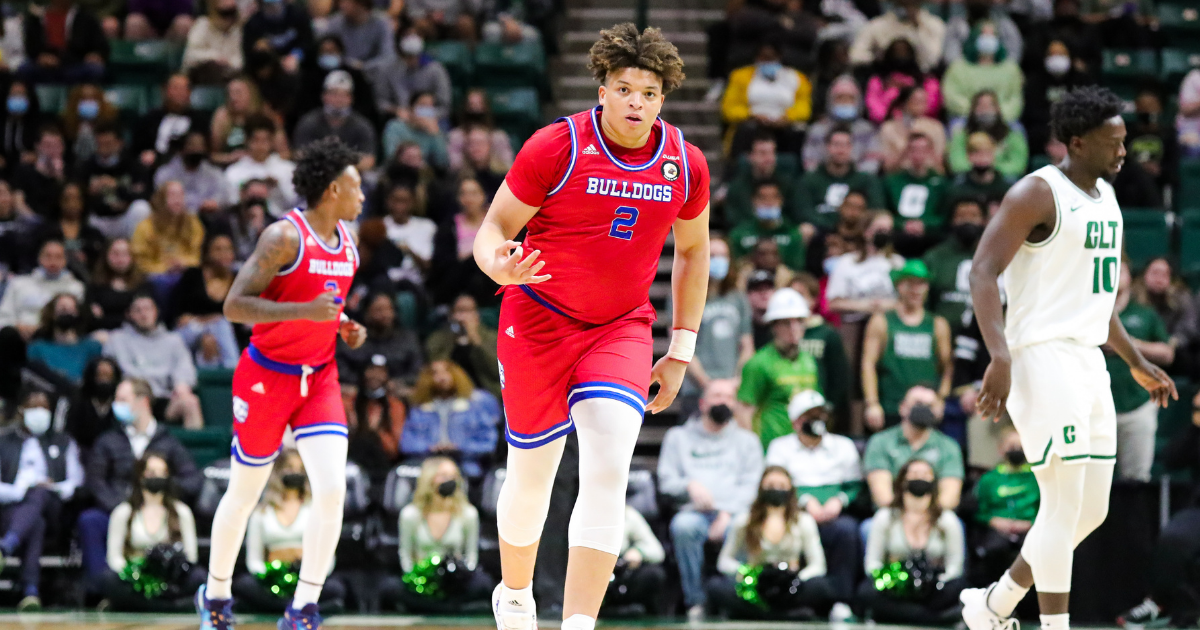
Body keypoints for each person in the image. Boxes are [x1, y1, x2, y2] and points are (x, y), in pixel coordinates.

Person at [474, 24, 711, 630]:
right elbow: (492, 231)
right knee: (534, 475)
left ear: (663, 99)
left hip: (620, 328)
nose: (637, 103)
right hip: (538, 320)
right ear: (602, 90)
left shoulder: (685, 162)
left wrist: (680, 350)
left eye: (650, 93)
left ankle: (579, 623)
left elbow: (693, 254)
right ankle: (517, 596)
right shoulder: (556, 146)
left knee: (609, 465)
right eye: (625, 89)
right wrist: (499, 262)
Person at [960, 86, 1178, 630]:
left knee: (1090, 511)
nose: (1124, 151)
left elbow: (1096, 302)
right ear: (1077, 143)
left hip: (1086, 360)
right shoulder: (1035, 194)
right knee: (1059, 507)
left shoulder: (1107, 196)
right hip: (1040, 357)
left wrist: (1132, 359)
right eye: (1114, 142)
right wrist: (1000, 356)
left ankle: (993, 607)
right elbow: (982, 272)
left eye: (1125, 140)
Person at [197, 137, 366, 630]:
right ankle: (216, 599)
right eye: (356, 186)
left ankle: (303, 608)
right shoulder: (282, 237)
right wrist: (305, 314)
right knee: (245, 492)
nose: (363, 196)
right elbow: (234, 306)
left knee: (333, 489)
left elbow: (324, 306)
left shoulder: (348, 244)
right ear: (333, 189)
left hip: (321, 379)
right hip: (267, 377)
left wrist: (344, 326)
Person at [78, 377, 202, 589]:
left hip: (158, 511)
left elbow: (192, 479)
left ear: (143, 402)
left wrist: (162, 496)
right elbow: (95, 481)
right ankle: (102, 590)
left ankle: (165, 587)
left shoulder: (168, 442)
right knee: (89, 520)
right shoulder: (108, 440)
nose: (116, 405)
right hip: (116, 509)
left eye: (122, 399)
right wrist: (124, 507)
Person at [658, 379, 764, 621]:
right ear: (703, 403)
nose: (723, 402)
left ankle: (736, 599)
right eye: (717, 396)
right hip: (693, 513)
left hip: (736, 513)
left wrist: (727, 512)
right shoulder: (678, 437)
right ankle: (696, 601)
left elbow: (752, 486)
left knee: (746, 526)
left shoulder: (748, 441)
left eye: (728, 397)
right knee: (683, 527)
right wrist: (688, 485)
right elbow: (666, 482)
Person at [765, 390, 862, 618]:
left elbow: (855, 485)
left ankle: (840, 600)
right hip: (792, 514)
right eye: (810, 415)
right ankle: (786, 593)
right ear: (796, 422)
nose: (817, 420)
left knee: (847, 530)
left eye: (821, 414)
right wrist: (805, 502)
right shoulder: (780, 448)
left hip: (833, 514)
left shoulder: (843, 446)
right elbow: (774, 484)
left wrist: (840, 500)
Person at [709, 466, 834, 620]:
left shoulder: (804, 521)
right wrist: (744, 571)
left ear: (790, 489)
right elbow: (724, 561)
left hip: (791, 584)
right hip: (755, 582)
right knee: (716, 587)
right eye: (771, 486)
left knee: (820, 587)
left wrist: (798, 578)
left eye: (781, 486)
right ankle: (783, 615)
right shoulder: (744, 520)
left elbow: (818, 565)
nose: (776, 490)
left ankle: (759, 614)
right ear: (761, 489)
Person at [231, 450, 348, 612]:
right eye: (290, 467)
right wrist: (273, 577)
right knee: (243, 585)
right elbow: (254, 560)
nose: (295, 473)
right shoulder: (261, 513)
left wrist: (307, 576)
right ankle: (300, 609)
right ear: (278, 471)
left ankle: (282, 608)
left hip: (306, 577)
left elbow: (328, 557)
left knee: (335, 588)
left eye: (300, 469)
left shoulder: (315, 509)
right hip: (271, 581)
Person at [0, 388, 84, 611]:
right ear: (21, 410)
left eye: (44, 407)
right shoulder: (4, 441)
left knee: (40, 493)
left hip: (54, 510)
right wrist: (20, 489)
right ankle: (30, 591)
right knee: (35, 522)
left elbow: (76, 482)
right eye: (34, 407)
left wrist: (52, 486)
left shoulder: (63, 441)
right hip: (11, 510)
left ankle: (6, 547)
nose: (40, 412)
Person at [858, 459, 967, 624]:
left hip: (934, 586)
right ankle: (934, 619)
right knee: (866, 591)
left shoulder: (948, 520)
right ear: (902, 481)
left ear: (934, 482)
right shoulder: (885, 517)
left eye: (925, 475)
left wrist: (935, 582)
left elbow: (955, 566)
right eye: (914, 474)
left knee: (960, 587)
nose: (920, 479)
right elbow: (872, 564)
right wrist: (896, 581)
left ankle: (901, 616)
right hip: (895, 584)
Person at [379, 456, 491, 613]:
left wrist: (462, 576)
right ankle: (448, 608)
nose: (450, 481)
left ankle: (435, 607)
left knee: (483, 583)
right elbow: (405, 555)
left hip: (456, 582)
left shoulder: (468, 514)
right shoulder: (410, 514)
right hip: (421, 581)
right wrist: (418, 581)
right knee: (390, 587)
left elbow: (471, 556)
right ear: (429, 480)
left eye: (454, 477)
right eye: (444, 476)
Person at [102, 452, 205, 611]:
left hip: (171, 577)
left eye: (162, 472)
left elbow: (191, 555)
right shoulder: (123, 512)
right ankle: (173, 607)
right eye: (151, 472)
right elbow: (114, 557)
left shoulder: (181, 511)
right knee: (108, 580)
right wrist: (136, 575)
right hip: (136, 576)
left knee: (199, 577)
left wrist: (174, 570)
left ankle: (149, 605)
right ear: (140, 475)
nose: (157, 477)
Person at [863, 261, 953, 429]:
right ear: (899, 286)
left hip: (926, 407)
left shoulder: (937, 324)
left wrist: (941, 398)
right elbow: (868, 364)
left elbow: (947, 366)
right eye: (910, 283)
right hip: (890, 406)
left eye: (921, 283)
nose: (916, 289)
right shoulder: (882, 322)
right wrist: (872, 403)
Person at [1106, 261, 1174, 481]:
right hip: (1095, 407)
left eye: (1120, 269)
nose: (1114, 275)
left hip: (1137, 407)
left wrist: (1127, 345)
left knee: (1136, 481)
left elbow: (1167, 352)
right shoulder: (1088, 312)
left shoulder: (1144, 313)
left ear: (1130, 278)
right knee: (1095, 481)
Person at [673, 236, 754, 413]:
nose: (719, 260)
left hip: (732, 390)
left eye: (723, 256)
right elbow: (680, 346)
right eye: (713, 255)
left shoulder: (738, 297)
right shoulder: (683, 294)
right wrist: (708, 384)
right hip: (696, 390)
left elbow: (747, 346)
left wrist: (735, 382)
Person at [103, 294, 203, 428]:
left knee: (191, 402)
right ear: (129, 314)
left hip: (163, 397)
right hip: (133, 397)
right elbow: (111, 371)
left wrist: (182, 386)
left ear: (156, 312)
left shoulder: (173, 340)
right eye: (138, 310)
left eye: (148, 309)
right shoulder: (117, 339)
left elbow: (184, 368)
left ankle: (194, 448)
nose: (143, 314)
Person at [739, 288, 820, 449]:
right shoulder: (758, 363)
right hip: (770, 447)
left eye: (799, 321)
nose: (794, 328)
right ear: (774, 326)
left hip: (804, 448)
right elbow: (744, 411)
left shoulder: (808, 360)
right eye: (786, 322)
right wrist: (752, 451)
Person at [864, 385, 965, 510]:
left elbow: (949, 498)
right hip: (892, 513)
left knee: (952, 523)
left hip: (934, 516)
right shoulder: (880, 442)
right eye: (918, 403)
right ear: (903, 407)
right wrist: (908, 518)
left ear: (939, 410)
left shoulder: (949, 446)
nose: (923, 409)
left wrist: (924, 518)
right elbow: (882, 497)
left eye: (930, 405)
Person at [399, 360, 500, 478]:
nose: (441, 377)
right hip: (427, 467)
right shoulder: (420, 410)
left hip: (467, 467)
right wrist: (429, 447)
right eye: (435, 373)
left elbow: (489, 443)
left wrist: (460, 447)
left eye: (447, 372)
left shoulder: (474, 407)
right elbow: (406, 443)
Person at [720, 42, 811, 157]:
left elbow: (804, 107)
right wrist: (751, 115)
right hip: (752, 124)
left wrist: (787, 118)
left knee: (797, 133)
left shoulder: (797, 78)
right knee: (746, 131)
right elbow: (729, 109)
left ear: (779, 57)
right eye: (763, 57)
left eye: (772, 57)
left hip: (783, 125)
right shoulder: (739, 77)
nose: (767, 61)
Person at [972, 429, 1039, 584]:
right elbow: (978, 511)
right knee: (994, 552)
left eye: (1020, 446)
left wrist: (1031, 523)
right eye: (1011, 446)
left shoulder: (1037, 478)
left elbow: (1046, 508)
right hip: (997, 531)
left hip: (1030, 529)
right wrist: (992, 520)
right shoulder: (989, 479)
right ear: (1001, 449)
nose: (1016, 451)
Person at [170, 234, 241, 369]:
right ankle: (235, 373)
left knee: (217, 332)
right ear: (207, 253)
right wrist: (205, 320)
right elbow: (178, 316)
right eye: (218, 249)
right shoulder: (192, 275)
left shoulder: (239, 281)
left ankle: (226, 374)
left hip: (222, 335)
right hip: (191, 330)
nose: (223, 254)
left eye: (227, 249)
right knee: (220, 324)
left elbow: (241, 323)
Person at [796, 125, 886, 231]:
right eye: (836, 145)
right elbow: (803, 211)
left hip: (857, 230)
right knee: (805, 229)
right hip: (821, 230)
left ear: (851, 148)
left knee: (883, 221)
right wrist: (833, 226)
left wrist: (852, 224)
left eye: (845, 145)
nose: (841, 150)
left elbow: (876, 208)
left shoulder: (866, 179)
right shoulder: (809, 180)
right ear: (827, 147)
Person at [429, 178, 499, 306]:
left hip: (489, 278)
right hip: (460, 279)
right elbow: (442, 262)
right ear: (458, 198)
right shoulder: (448, 226)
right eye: (464, 194)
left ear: (483, 196)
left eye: (473, 193)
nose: (469, 199)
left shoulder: (495, 223)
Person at [923, 197, 987, 334]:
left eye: (974, 216)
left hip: (987, 339)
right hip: (945, 333)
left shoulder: (997, 255)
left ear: (984, 221)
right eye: (961, 216)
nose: (968, 221)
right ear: (952, 221)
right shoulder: (935, 257)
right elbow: (925, 302)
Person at [337, 292, 424, 392]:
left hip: (397, 392)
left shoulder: (408, 339)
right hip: (356, 392)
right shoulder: (350, 338)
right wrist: (363, 380)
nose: (385, 315)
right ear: (366, 313)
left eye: (389, 309)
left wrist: (393, 382)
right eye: (379, 310)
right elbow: (339, 367)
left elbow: (417, 370)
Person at [292, 71, 378, 171]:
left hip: (352, 176)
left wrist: (339, 164)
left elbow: (369, 160)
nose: (338, 99)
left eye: (344, 95)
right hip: (316, 174)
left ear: (351, 98)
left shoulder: (362, 125)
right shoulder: (309, 122)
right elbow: (299, 154)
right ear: (324, 96)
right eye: (334, 94)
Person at [0, 240, 85, 339]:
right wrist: (17, 326)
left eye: (58, 257)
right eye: (48, 256)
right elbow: (4, 315)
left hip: (55, 336)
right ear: (40, 258)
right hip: (19, 334)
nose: (53, 261)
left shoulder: (75, 288)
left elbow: (77, 321)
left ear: (65, 260)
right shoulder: (18, 283)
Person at [942, 24, 1024, 122]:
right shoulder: (958, 68)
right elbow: (952, 98)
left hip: (1003, 119)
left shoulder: (1011, 69)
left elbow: (1015, 101)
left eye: (992, 35)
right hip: (965, 118)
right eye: (984, 35)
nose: (988, 39)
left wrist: (995, 114)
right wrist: (977, 112)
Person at [366, 30, 453, 122]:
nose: (411, 60)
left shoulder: (436, 71)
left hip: (431, 118)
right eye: (407, 56)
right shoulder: (387, 70)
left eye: (415, 56)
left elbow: (444, 107)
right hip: (399, 117)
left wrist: (420, 114)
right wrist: (396, 110)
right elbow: (380, 102)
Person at [802, 76, 883, 174]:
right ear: (831, 101)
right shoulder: (817, 129)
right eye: (840, 98)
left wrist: (853, 179)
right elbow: (810, 161)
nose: (845, 102)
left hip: (858, 182)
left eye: (850, 98)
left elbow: (872, 160)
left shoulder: (867, 130)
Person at [426, 294, 501, 400]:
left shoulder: (493, 337)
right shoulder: (439, 339)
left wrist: (476, 339)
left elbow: (497, 371)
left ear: (477, 315)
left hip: (488, 393)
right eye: (460, 311)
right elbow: (435, 367)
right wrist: (453, 338)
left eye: (469, 311)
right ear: (452, 315)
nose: (464, 316)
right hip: (450, 395)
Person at [883, 134, 949, 255]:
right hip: (898, 235)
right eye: (914, 150)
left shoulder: (941, 183)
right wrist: (902, 224)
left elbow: (945, 215)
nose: (918, 155)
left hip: (930, 238)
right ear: (907, 153)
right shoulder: (893, 181)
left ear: (930, 152)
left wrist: (925, 225)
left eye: (923, 150)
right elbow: (884, 211)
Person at [223, 116, 298, 218]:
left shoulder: (288, 169)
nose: (260, 146)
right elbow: (229, 205)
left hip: (280, 224)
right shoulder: (233, 172)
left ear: (272, 141)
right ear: (247, 141)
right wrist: (246, 194)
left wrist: (277, 189)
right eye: (256, 140)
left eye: (265, 140)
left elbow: (295, 204)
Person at [19, 0, 108, 84]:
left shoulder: (86, 17)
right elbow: (31, 47)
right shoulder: (36, 19)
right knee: (24, 70)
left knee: (95, 70)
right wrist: (40, 57)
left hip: (76, 64)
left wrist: (95, 54)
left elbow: (100, 45)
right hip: (45, 67)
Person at [132, 74, 211, 168]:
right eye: (175, 88)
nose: (179, 93)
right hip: (153, 166)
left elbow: (204, 150)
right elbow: (137, 148)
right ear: (164, 91)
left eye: (184, 89)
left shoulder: (200, 120)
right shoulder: (149, 119)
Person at [130, 181, 206, 278]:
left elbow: (196, 255)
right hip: (155, 275)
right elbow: (140, 262)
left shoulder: (193, 223)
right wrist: (164, 268)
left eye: (180, 195)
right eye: (172, 195)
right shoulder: (145, 227)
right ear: (161, 199)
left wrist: (183, 262)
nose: (177, 200)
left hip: (185, 272)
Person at [948, 90, 1029, 180]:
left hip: (1003, 177)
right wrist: (979, 167)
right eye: (980, 105)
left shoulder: (1013, 132)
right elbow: (957, 164)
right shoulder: (961, 132)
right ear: (973, 109)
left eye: (990, 105)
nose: (985, 109)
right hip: (971, 177)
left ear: (998, 108)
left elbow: (1018, 164)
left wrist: (991, 169)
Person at [209, 76, 289, 167]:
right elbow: (212, 155)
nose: (233, 97)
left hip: (265, 168)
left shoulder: (266, 115)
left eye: (238, 93)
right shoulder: (222, 116)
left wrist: (260, 156)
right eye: (230, 93)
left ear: (251, 94)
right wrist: (230, 157)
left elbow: (285, 153)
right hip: (231, 169)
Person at [35, 182, 107, 282]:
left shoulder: (93, 234)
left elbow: (101, 264)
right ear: (59, 201)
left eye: (76, 198)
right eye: (67, 198)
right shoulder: (45, 231)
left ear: (83, 201)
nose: (72, 203)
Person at [849, 0, 946, 73]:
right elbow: (856, 56)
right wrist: (880, 62)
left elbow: (934, 60)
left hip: (921, 81)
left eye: (911, 4)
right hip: (885, 80)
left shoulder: (935, 25)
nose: (907, 8)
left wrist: (916, 27)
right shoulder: (876, 25)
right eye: (902, 4)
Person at [27, 292, 103, 384]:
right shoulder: (37, 348)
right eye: (62, 309)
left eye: (70, 309)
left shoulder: (92, 347)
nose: (66, 311)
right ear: (52, 314)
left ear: (78, 313)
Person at [152, 131, 236, 215]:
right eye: (192, 145)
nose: (196, 149)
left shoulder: (212, 172)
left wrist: (216, 202)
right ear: (182, 148)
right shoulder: (166, 173)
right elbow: (161, 197)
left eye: (200, 146)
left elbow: (227, 194)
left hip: (206, 218)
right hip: (174, 216)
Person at [728, 181, 806, 270]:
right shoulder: (739, 235)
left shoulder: (793, 234)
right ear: (753, 201)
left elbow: (797, 269)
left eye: (773, 197)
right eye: (762, 198)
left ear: (781, 200)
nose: (768, 202)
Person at [864, 39, 941, 125]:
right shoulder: (878, 81)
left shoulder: (927, 81)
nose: (901, 55)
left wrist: (910, 88)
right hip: (884, 126)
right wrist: (892, 91)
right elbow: (876, 113)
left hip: (923, 126)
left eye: (904, 51)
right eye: (897, 52)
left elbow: (931, 108)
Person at [878, 86, 947, 174]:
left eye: (924, 101)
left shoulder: (936, 127)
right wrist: (907, 148)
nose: (921, 105)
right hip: (899, 175)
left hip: (927, 174)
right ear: (904, 102)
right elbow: (887, 166)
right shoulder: (888, 128)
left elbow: (939, 164)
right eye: (916, 101)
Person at [86, 239, 147, 333]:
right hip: (104, 334)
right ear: (106, 256)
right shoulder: (95, 285)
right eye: (115, 253)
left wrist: (105, 317)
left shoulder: (143, 284)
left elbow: (146, 317)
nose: (120, 258)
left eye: (125, 254)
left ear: (132, 257)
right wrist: (127, 316)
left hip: (137, 334)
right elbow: (90, 320)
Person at [381, 184, 436, 284]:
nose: (399, 206)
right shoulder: (379, 226)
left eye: (404, 201)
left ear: (413, 202)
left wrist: (409, 251)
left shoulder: (426, 226)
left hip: (414, 283)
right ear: (388, 202)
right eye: (396, 200)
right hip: (386, 281)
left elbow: (428, 267)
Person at [382, 92, 449, 170]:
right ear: (411, 108)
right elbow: (391, 155)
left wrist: (436, 135)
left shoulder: (434, 131)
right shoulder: (395, 126)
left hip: (424, 174)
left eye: (430, 107)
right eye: (422, 105)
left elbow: (442, 163)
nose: (426, 111)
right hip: (398, 172)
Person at [181, 0, 243, 83]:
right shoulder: (202, 25)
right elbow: (191, 55)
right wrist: (215, 57)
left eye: (231, 13)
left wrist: (228, 62)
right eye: (224, 13)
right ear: (214, 11)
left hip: (226, 76)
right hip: (197, 76)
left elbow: (239, 61)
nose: (228, 18)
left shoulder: (235, 31)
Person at [943, 0, 1023, 65]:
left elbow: (1013, 58)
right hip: (966, 76)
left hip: (998, 75)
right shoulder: (955, 26)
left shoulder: (1004, 25)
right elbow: (952, 60)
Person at [66, 357, 122, 450]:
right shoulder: (77, 401)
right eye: (100, 376)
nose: (104, 382)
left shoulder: (121, 403)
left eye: (108, 376)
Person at [948, 134, 1013, 213]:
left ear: (993, 154)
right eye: (976, 153)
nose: (981, 158)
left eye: (986, 153)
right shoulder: (958, 189)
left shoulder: (1006, 189)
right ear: (968, 155)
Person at [324, 0, 394, 69]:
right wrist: (348, 64)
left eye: (347, 2)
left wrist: (364, 66)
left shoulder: (381, 22)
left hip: (374, 72)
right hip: (344, 70)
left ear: (361, 4)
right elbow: (327, 53)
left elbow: (388, 56)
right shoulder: (335, 23)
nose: (342, 5)